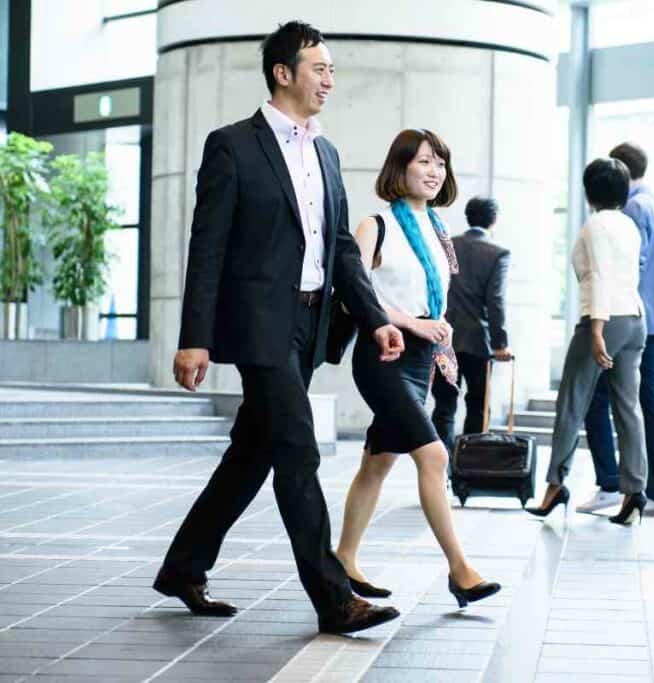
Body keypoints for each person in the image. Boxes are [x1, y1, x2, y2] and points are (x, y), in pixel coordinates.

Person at [153, 21, 404, 636]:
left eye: (332, 69)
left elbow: (341, 247)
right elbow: (206, 247)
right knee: (297, 447)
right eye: (318, 68)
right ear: (282, 73)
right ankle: (333, 597)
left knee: (252, 452)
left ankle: (183, 567)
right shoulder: (233, 146)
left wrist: (373, 321)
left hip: (310, 323)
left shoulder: (326, 151)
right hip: (260, 323)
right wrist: (194, 336)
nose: (329, 79)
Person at [335, 129, 501, 608]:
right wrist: (414, 323)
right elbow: (355, 295)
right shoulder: (375, 225)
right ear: (400, 168)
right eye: (424, 162)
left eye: (440, 164)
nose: (433, 172)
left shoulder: (438, 231)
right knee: (433, 456)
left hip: (421, 356)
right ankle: (461, 570)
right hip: (383, 356)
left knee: (378, 461)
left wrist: (439, 330)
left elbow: (435, 300)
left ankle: (344, 556)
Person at [526, 158, 648, 526]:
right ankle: (634, 493)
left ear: (588, 189)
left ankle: (554, 486)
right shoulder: (628, 224)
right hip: (635, 319)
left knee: (571, 404)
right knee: (629, 408)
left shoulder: (595, 225)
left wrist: (595, 330)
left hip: (604, 320)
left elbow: (598, 277)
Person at [578, 143, 654, 517]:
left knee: (598, 399)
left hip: (628, 318)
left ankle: (611, 482)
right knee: (650, 403)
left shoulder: (632, 208)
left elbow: (624, 265)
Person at [430, 196, 512, 453]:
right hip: (478, 341)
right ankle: (469, 461)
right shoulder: (497, 253)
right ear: (494, 219)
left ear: (468, 216)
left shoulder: (446, 246)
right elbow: (495, 300)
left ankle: (441, 464)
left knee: (444, 404)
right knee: (478, 404)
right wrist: (500, 344)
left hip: (445, 338)